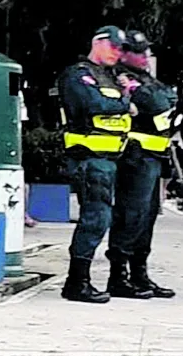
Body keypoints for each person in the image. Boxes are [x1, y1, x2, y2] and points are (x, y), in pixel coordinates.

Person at [55, 25, 134, 304]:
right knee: (95, 219)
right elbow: (93, 104)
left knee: (102, 218)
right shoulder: (78, 74)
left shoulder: (110, 77)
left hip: (109, 159)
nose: (117, 52)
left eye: (120, 49)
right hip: (87, 157)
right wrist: (125, 101)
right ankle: (77, 282)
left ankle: (80, 280)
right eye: (112, 46)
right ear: (97, 42)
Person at [108, 30, 177, 299]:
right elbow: (157, 102)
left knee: (147, 217)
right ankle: (119, 275)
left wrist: (150, 96)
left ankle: (139, 273)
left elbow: (168, 99)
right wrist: (148, 97)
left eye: (146, 51)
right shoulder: (118, 76)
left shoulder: (143, 78)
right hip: (134, 156)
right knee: (131, 215)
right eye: (139, 52)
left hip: (154, 156)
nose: (145, 56)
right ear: (124, 53)